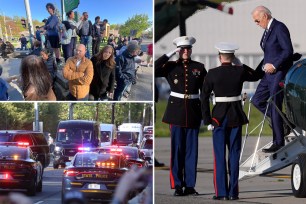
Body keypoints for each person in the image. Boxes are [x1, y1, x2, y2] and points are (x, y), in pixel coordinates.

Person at [201, 42, 260, 200]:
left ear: (220, 57)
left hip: (218, 118)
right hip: (235, 116)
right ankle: (233, 193)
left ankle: (221, 192)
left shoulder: (212, 73)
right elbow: (256, 75)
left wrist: (207, 119)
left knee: (219, 156)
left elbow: (204, 96)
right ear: (233, 57)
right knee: (234, 155)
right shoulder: (239, 71)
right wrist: (240, 64)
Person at [155, 36, 206, 196]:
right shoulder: (170, 66)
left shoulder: (199, 67)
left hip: (193, 112)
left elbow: (205, 91)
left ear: (191, 50)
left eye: (188, 49)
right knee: (177, 151)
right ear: (178, 51)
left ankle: (190, 185)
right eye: (182, 49)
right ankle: (177, 185)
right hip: (175, 112)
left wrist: (206, 115)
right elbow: (155, 69)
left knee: (192, 152)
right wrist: (168, 54)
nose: (186, 51)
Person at [251, 6, 294, 153]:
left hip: (277, 73)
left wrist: (275, 65)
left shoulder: (279, 27)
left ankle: (278, 141)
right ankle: (284, 122)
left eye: (257, 20)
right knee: (256, 100)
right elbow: (268, 54)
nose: (256, 23)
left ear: (265, 16)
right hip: (267, 75)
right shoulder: (267, 30)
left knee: (275, 105)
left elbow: (288, 50)